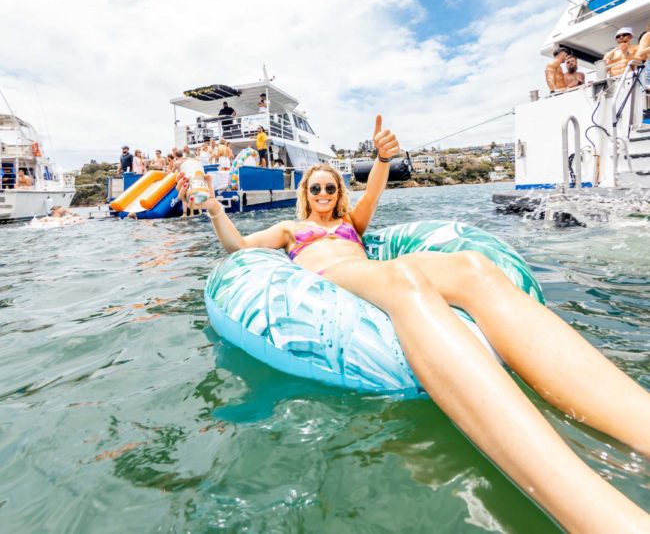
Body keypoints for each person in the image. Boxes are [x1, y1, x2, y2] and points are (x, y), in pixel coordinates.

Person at [176, 115, 650, 532]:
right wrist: (217, 210)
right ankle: (598, 517)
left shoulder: (351, 225)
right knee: (404, 278)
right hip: (334, 279)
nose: (324, 194)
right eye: (316, 188)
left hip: (371, 270)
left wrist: (382, 158)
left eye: (331, 187)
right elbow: (239, 250)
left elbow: (375, 190)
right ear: (306, 194)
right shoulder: (291, 231)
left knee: (472, 269)